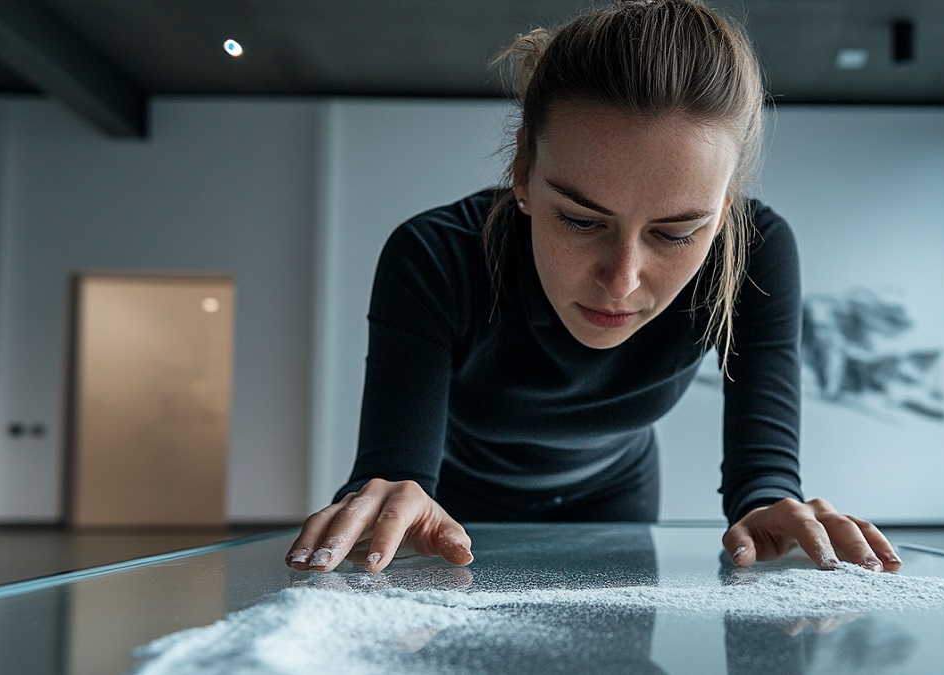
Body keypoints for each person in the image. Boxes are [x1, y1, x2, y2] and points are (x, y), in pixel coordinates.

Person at [286, 0, 902, 575]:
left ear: (723, 211)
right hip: (452, 509)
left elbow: (763, 476)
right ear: (523, 170)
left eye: (676, 232)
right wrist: (387, 489)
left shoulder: (755, 254)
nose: (622, 280)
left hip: (619, 498)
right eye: (581, 220)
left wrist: (772, 501)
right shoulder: (436, 255)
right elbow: (397, 471)